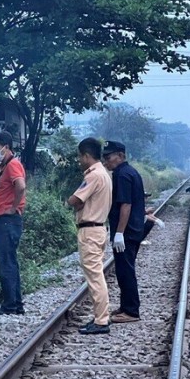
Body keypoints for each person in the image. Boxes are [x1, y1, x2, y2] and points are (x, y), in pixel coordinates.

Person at [67, 138, 112, 335]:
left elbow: (75, 200)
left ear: (86, 155)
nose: (79, 160)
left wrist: (73, 201)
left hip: (90, 230)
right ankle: (100, 317)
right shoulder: (104, 174)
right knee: (96, 274)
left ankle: (101, 320)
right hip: (98, 228)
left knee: (94, 276)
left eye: (80, 156)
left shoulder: (94, 176)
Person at [102, 140, 146, 324]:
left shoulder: (122, 174)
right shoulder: (129, 172)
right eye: (104, 157)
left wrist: (119, 233)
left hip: (127, 232)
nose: (106, 161)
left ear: (120, 156)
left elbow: (125, 205)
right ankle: (126, 305)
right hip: (133, 229)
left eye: (109, 157)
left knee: (125, 270)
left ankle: (131, 311)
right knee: (123, 269)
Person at [0, 131, 27, 315]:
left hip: (8, 221)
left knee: (7, 262)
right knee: (9, 261)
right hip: (6, 219)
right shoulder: (6, 167)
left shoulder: (12, 165)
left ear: (6, 147)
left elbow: (20, 186)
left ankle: (11, 305)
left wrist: (12, 208)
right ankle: (14, 303)